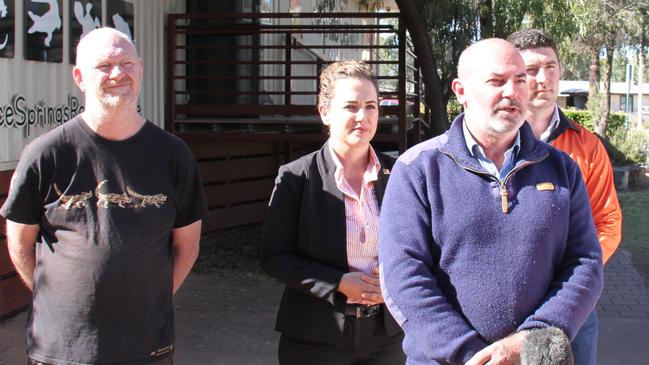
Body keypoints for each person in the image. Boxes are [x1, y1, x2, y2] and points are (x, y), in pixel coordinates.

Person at [378, 38, 603, 365]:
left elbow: (585, 262)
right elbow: (403, 276)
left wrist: (533, 341)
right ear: (461, 91)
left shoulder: (562, 169)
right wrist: (473, 356)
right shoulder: (418, 170)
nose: (512, 92)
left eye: (520, 80)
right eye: (496, 81)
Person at [0, 27, 207, 365]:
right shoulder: (46, 154)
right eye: (104, 66)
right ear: (80, 77)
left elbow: (188, 246)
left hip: (146, 347)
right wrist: (60, 300)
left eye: (127, 63)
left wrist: (150, 299)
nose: (118, 74)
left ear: (140, 68)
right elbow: (20, 243)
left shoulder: (174, 156)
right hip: (61, 349)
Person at [262, 60, 405, 364]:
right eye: (350, 106)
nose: (362, 116)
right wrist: (338, 281)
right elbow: (275, 257)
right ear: (324, 112)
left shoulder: (401, 174)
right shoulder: (297, 177)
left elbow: (420, 247)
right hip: (316, 338)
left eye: (371, 106)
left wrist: (394, 281)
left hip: (387, 337)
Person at [507, 29, 622, 365]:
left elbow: (608, 221)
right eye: (530, 70)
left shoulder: (587, 146)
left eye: (551, 67)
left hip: (573, 305)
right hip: (507, 302)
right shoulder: (493, 144)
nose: (542, 79)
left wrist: (576, 280)